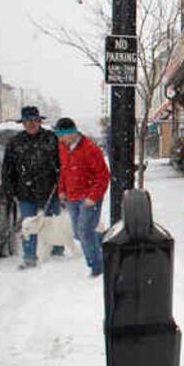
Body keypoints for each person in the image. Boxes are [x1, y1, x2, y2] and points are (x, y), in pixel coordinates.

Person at [2, 106, 64, 269]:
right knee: (28, 226)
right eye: (27, 121)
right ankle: (29, 257)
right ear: (22, 123)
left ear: (39, 121)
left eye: (34, 120)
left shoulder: (51, 138)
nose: (31, 124)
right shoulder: (15, 142)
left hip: (50, 190)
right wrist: (11, 192)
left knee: (52, 225)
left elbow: (62, 163)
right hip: (25, 193)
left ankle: (57, 256)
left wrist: (61, 184)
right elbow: (8, 169)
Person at [55, 118, 110, 277]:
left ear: (71, 133)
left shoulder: (90, 149)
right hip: (72, 197)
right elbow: (64, 170)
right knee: (79, 234)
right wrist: (61, 190)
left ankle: (96, 268)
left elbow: (103, 176)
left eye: (62, 135)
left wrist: (93, 197)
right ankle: (102, 240)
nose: (60, 139)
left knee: (84, 231)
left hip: (88, 198)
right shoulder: (63, 147)